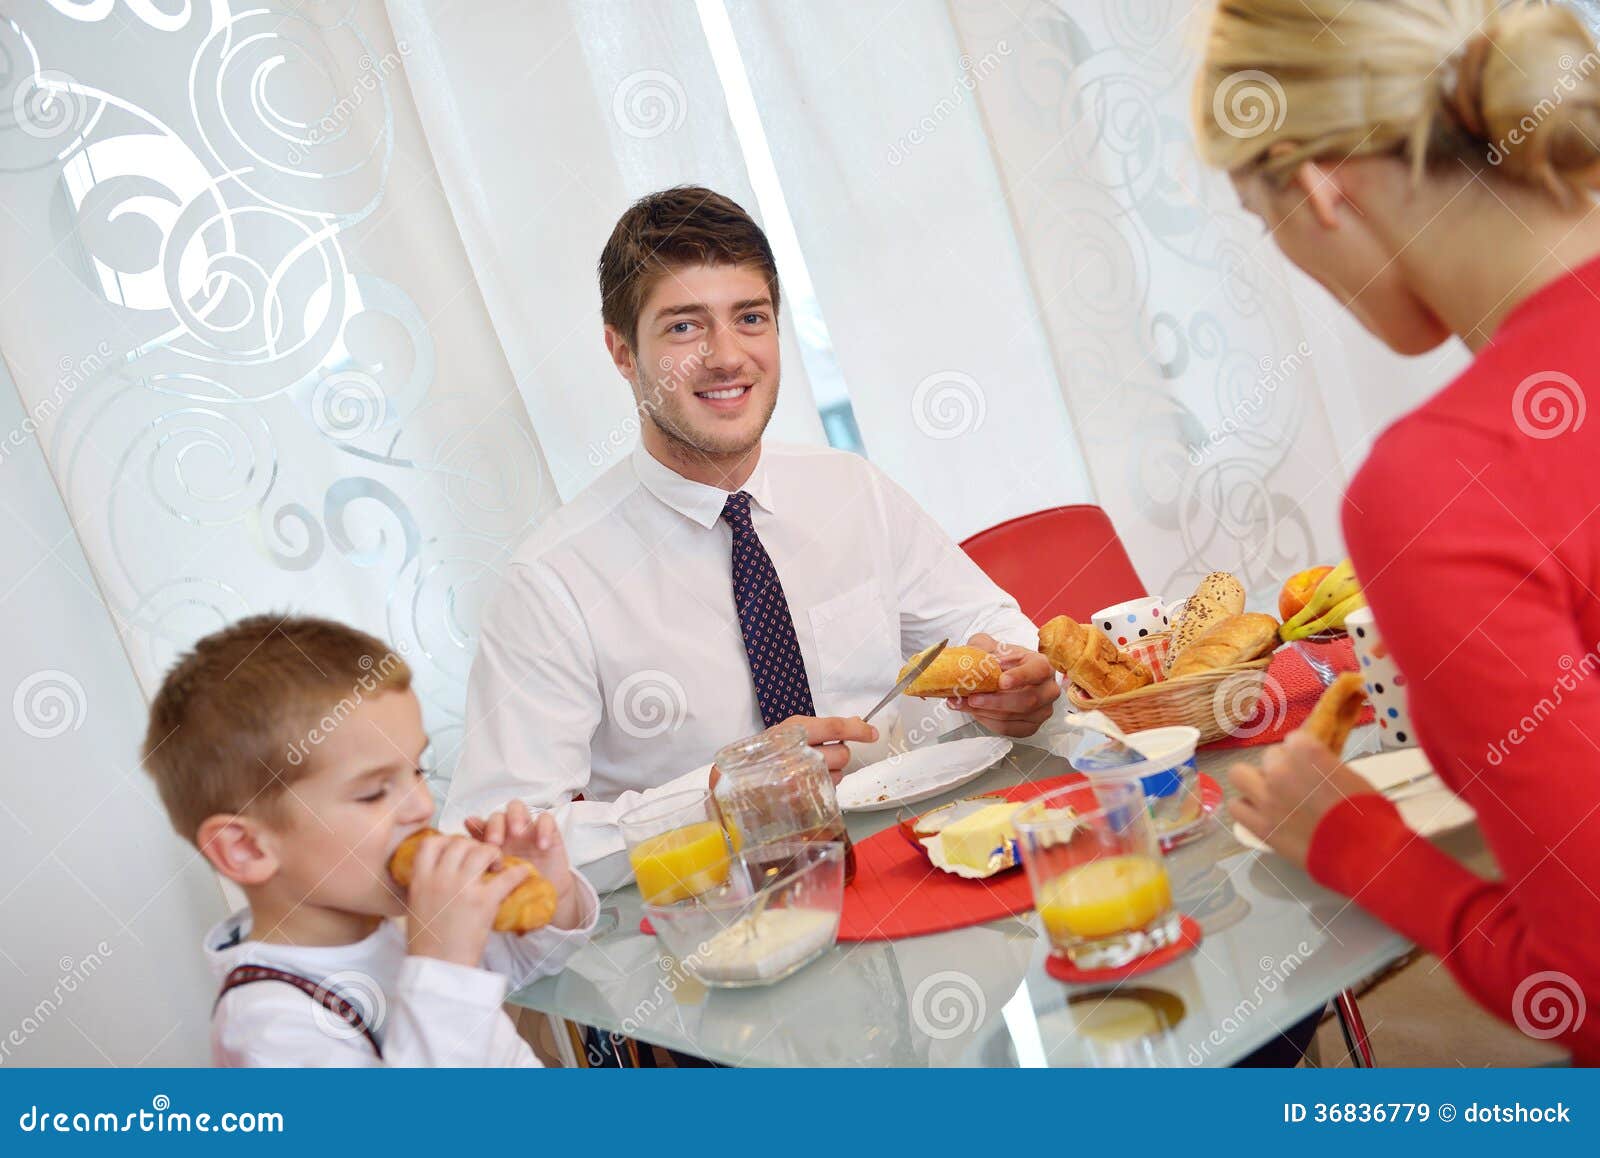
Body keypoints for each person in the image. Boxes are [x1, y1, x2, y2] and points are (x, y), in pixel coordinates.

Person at [1197, 0, 1600, 1063]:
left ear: (1316, 186)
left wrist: (1351, 839)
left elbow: (1589, 989)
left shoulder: (1443, 484)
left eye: (1259, 218)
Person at [444, 186, 1062, 876]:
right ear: (622, 353)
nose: (727, 355)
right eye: (684, 327)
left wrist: (1019, 679)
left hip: (916, 867)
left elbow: (988, 626)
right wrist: (716, 799)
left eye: (750, 318)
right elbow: (495, 850)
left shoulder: (850, 488)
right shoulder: (552, 583)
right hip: (718, 930)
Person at [141, 615, 599, 1066]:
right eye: (374, 791)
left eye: (417, 771)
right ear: (247, 848)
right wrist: (442, 964)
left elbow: (528, 965)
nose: (422, 804)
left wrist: (550, 896)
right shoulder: (268, 1029)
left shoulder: (391, 923)